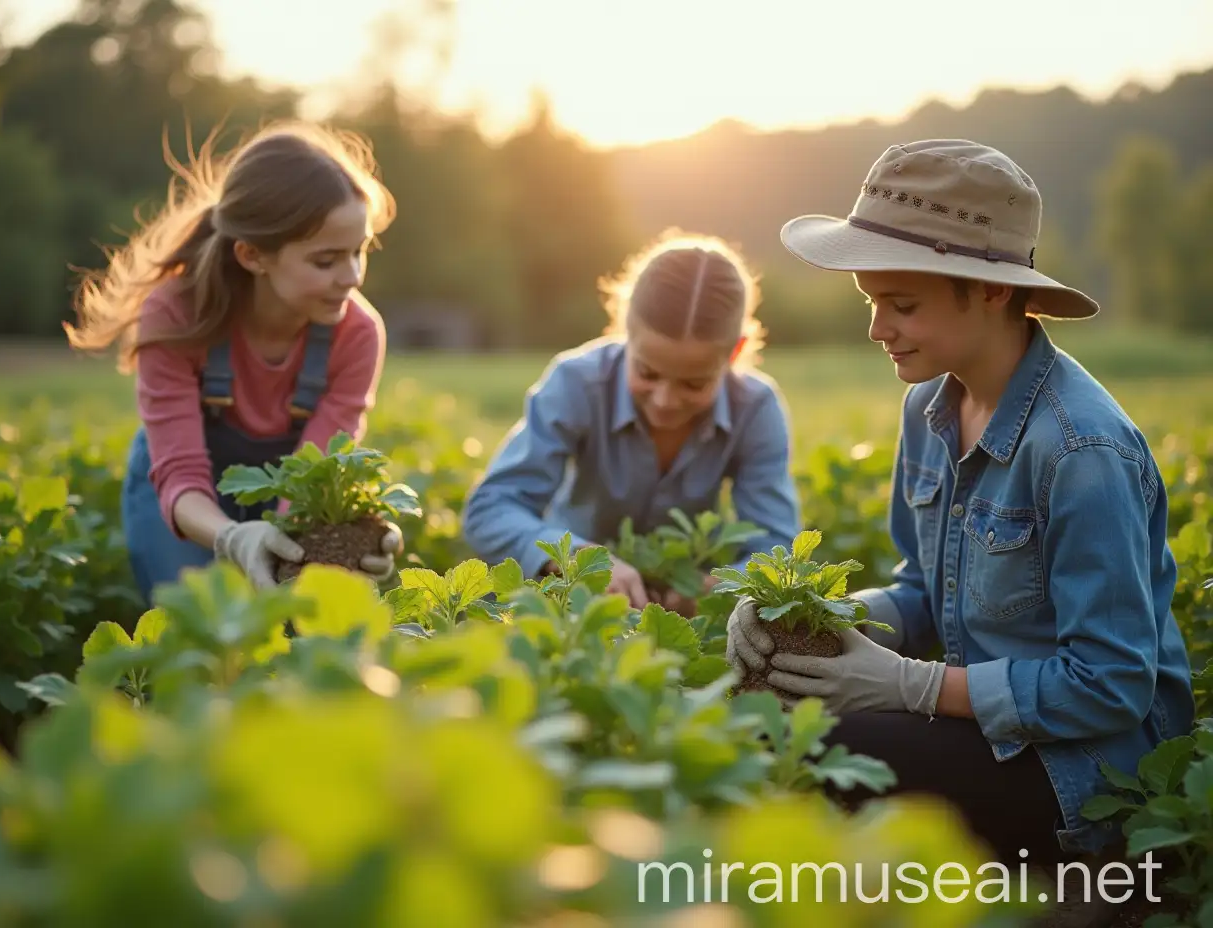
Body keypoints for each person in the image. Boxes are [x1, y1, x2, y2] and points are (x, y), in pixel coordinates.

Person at [726, 139, 1195, 866]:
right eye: (872, 302)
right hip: (981, 724)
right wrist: (804, 619)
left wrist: (907, 685)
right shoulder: (929, 409)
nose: (878, 328)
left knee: (821, 749)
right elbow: (924, 589)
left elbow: (1110, 689)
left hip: (1087, 772)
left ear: (992, 290)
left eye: (902, 305)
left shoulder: (1081, 450)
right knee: (758, 714)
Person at [66, 120, 405, 601]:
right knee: (197, 630)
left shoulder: (358, 335)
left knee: (289, 629)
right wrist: (232, 537)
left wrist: (348, 535)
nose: (351, 277)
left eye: (360, 251)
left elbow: (318, 471)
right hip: (181, 504)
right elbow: (180, 472)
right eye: (326, 261)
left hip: (283, 495)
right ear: (252, 255)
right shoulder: (176, 315)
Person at [462, 230, 802, 615]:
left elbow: (777, 546)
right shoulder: (577, 383)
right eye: (647, 373)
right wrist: (576, 560)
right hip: (568, 600)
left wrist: (715, 588)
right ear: (626, 328)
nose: (665, 400)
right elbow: (490, 508)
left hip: (682, 608)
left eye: (694, 383)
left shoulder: (755, 408)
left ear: (735, 351)